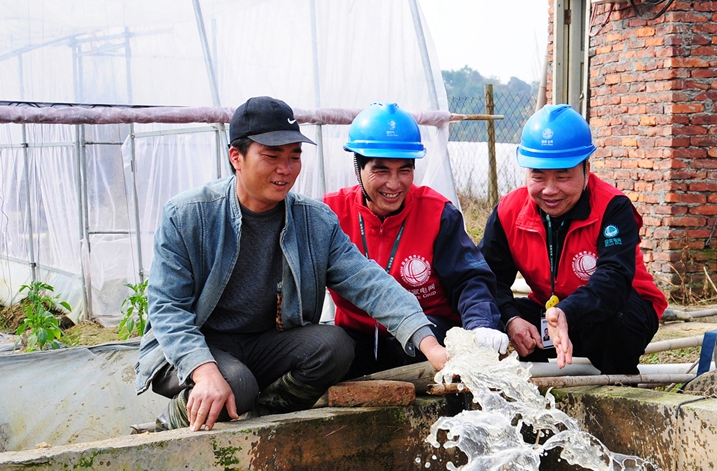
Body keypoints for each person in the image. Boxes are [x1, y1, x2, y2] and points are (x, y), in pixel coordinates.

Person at [135, 96, 447, 432]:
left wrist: (432, 347)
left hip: (263, 345)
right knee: (236, 386)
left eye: (294, 157)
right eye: (272, 157)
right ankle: (170, 423)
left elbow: (369, 282)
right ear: (236, 157)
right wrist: (203, 369)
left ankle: (262, 417)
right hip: (196, 344)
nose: (286, 169)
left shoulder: (313, 221)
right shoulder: (188, 215)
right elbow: (167, 310)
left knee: (336, 347)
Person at [479, 104, 667, 374]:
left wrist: (569, 311)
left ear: (586, 169)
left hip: (610, 309)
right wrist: (511, 319)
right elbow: (488, 278)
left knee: (622, 321)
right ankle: (536, 393)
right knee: (484, 317)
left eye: (563, 176)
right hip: (551, 313)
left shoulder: (612, 207)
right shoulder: (509, 210)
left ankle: (616, 387)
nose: (550, 190)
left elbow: (613, 280)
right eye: (538, 176)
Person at [323, 102, 507, 379]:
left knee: (408, 346)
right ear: (357, 167)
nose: (394, 184)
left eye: (405, 170)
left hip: (427, 335)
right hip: (357, 335)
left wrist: (480, 324)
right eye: (381, 171)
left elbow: (469, 279)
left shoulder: (437, 213)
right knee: (330, 351)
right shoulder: (330, 213)